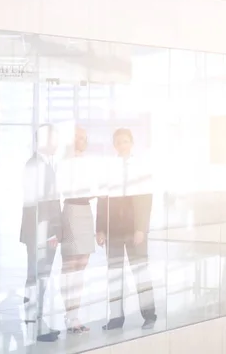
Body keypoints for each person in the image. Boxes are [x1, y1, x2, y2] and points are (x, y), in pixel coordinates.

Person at [96, 128, 157, 331]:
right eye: (118, 142)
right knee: (114, 274)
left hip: (134, 230)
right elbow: (102, 199)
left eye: (125, 141)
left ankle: (149, 315)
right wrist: (100, 228)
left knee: (140, 272)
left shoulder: (141, 167)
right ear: (115, 146)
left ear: (131, 143)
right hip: (113, 229)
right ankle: (116, 318)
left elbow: (146, 200)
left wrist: (141, 228)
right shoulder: (109, 168)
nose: (122, 145)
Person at [20, 124, 61, 342]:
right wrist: (51, 233)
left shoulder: (42, 164)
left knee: (38, 278)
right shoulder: (36, 165)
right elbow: (40, 204)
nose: (57, 144)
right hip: (41, 233)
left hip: (41, 232)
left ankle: (36, 320)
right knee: (38, 277)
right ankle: (34, 322)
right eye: (54, 140)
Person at [57, 126, 97, 334]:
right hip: (72, 210)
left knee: (81, 265)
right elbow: (67, 188)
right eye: (78, 137)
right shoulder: (65, 162)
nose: (82, 140)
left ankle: (75, 314)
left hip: (86, 212)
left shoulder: (87, 162)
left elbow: (93, 186)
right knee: (70, 267)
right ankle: (69, 315)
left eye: (84, 137)